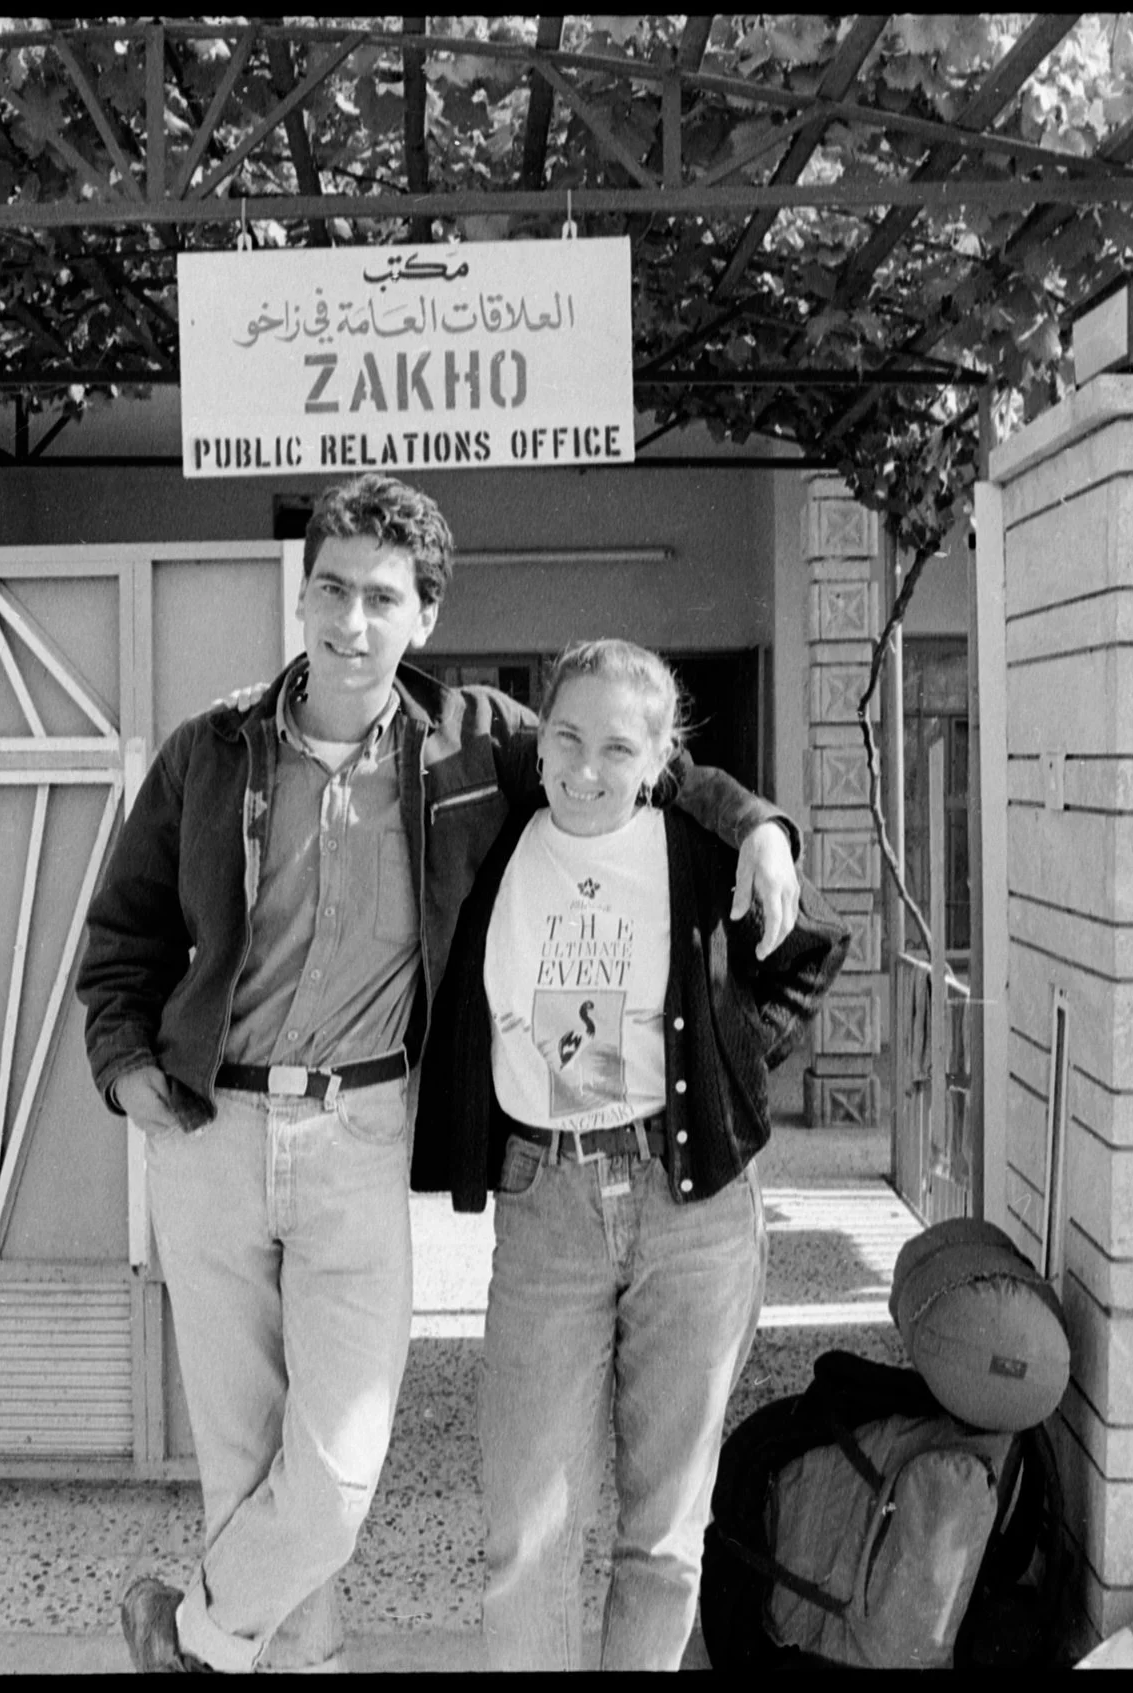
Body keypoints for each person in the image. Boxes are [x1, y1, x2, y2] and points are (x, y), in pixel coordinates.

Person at [75, 475, 803, 1674]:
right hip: (211, 1131)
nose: (350, 621)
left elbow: (627, 756)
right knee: (243, 1464)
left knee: (335, 1472)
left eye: (380, 597)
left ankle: (189, 1631)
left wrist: (761, 826)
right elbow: (124, 933)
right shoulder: (211, 749)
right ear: (300, 596)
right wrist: (124, 1064)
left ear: (425, 615)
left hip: (361, 1128)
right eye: (330, 590)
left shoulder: (472, 743)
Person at [412, 638, 848, 1672]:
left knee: (663, 1530)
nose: (586, 768)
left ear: (660, 760)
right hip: (546, 1203)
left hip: (689, 1207)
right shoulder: (497, 835)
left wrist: (726, 1062)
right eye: (567, 737)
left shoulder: (693, 849)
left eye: (618, 747)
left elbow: (810, 951)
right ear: (540, 739)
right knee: (527, 1525)